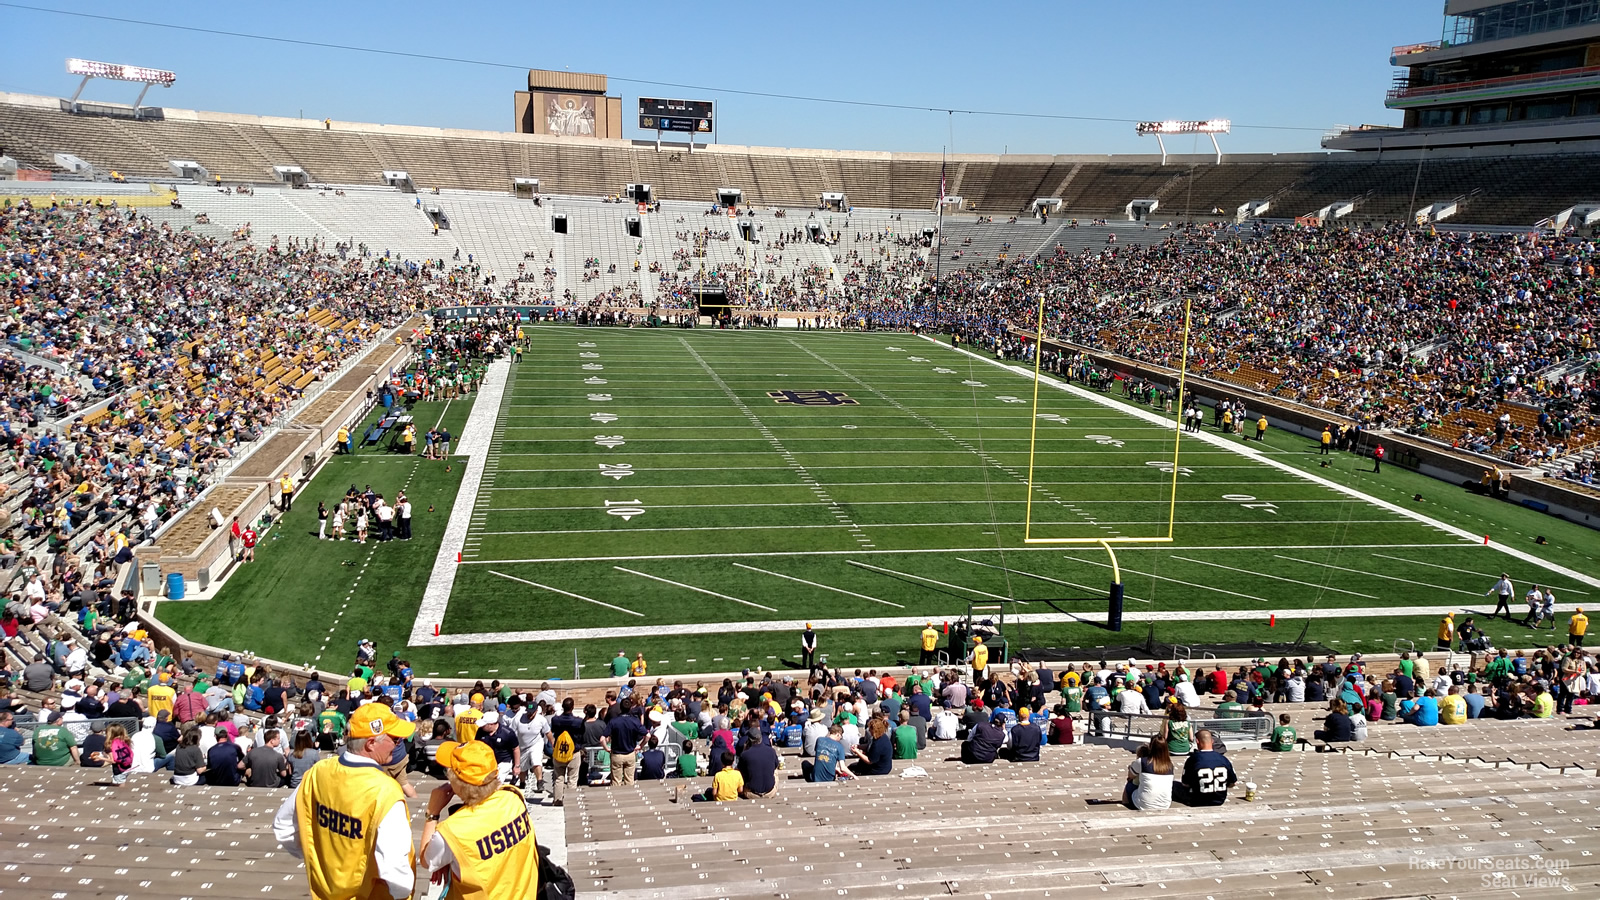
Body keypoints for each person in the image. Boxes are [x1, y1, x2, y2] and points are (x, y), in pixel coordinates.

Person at [272, 703, 417, 900]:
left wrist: (319, 863)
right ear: (371, 744)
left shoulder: (318, 771)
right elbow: (395, 871)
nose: (399, 743)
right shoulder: (386, 791)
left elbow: (283, 827)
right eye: (395, 739)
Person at [420, 738, 539, 900]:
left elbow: (427, 860)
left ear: (458, 783)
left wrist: (432, 813)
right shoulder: (514, 797)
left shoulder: (452, 831)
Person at [1175, 730, 1235, 806]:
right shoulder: (1224, 759)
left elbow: (1185, 784)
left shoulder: (1193, 759)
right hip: (1219, 800)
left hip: (1197, 800)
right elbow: (1233, 783)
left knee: (1173, 785)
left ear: (1197, 741)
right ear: (1212, 741)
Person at [1123, 737, 1174, 811]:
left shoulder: (1142, 762)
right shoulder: (1170, 765)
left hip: (1143, 804)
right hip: (1165, 804)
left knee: (1130, 782)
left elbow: (1130, 776)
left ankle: (1125, 805)